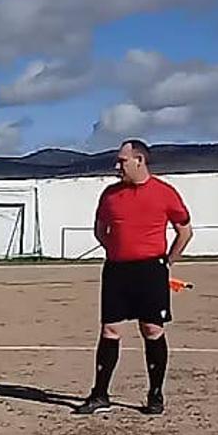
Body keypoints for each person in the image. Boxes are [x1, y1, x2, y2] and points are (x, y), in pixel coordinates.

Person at [74, 139, 192, 416]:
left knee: (152, 330)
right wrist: (117, 250)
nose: (117, 166)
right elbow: (100, 230)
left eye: (122, 161)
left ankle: (155, 395)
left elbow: (184, 231)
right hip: (117, 270)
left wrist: (167, 263)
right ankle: (100, 394)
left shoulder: (165, 193)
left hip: (151, 270)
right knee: (110, 331)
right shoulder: (110, 195)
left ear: (140, 160)